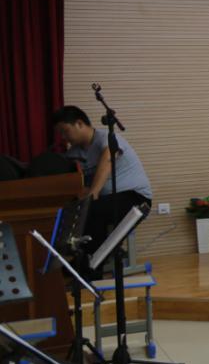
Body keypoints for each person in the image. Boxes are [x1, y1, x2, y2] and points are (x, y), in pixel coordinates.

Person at [53, 105, 153, 255]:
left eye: (65, 131)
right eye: (60, 133)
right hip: (107, 200)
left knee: (90, 211)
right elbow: (76, 181)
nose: (63, 137)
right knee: (69, 212)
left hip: (136, 198)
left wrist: (92, 194)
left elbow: (108, 158)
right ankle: (82, 258)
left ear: (79, 123)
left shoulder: (106, 138)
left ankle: (92, 263)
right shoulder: (74, 153)